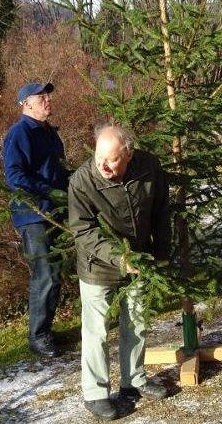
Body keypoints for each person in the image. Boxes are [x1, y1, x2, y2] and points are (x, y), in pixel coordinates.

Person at [68, 124, 170, 420]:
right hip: (98, 264)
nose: (103, 165)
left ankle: (133, 380)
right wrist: (119, 258)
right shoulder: (82, 181)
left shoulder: (149, 166)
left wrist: (162, 254)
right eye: (98, 156)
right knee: (97, 330)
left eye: (111, 159)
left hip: (139, 260)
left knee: (136, 321)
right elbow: (83, 231)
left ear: (129, 155)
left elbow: (161, 211)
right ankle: (95, 393)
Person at [2, 81, 69, 358]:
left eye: (48, 96)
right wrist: (48, 192)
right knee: (45, 275)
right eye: (41, 97)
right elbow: (14, 176)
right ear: (26, 104)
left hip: (55, 212)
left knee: (55, 273)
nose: (47, 100)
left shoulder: (50, 134)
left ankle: (46, 331)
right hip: (33, 214)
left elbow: (58, 171)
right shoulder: (19, 133)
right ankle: (38, 337)